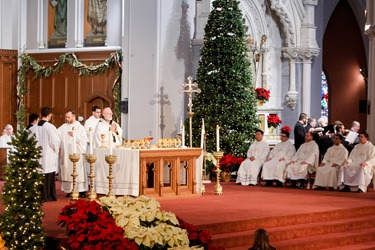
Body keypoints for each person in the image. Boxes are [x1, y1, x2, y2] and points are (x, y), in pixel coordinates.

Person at [30, 107, 61, 202]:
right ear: (49, 115)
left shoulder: (33, 127)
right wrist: (57, 150)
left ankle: (39, 195)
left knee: (39, 174)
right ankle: (48, 196)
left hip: (37, 155)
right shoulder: (50, 127)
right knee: (48, 174)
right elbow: (55, 141)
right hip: (48, 154)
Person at [58, 110, 88, 198]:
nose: (67, 119)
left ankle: (80, 190)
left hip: (77, 153)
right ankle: (69, 190)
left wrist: (75, 135)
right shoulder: (63, 127)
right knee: (67, 170)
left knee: (78, 170)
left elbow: (84, 140)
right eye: (66, 117)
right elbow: (56, 135)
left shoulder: (80, 127)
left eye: (69, 117)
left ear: (74, 117)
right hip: (66, 153)